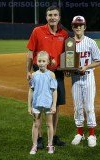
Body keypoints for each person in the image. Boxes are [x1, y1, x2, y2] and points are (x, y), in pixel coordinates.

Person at [26, 5, 68, 149]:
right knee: (37, 102)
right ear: (46, 17)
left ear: (59, 17)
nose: (52, 17)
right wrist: (28, 70)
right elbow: (31, 53)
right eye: (50, 15)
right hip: (40, 72)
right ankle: (38, 138)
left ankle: (53, 135)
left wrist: (68, 68)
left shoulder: (64, 34)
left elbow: (67, 55)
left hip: (57, 74)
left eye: (55, 15)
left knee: (55, 106)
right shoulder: (37, 31)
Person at [70, 16, 100, 147]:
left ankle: (91, 134)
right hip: (75, 79)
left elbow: (99, 61)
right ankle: (79, 133)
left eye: (81, 25)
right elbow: (67, 61)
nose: (78, 27)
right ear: (72, 27)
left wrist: (87, 66)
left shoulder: (91, 42)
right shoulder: (69, 43)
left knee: (89, 107)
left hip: (88, 77)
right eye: (75, 25)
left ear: (85, 26)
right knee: (78, 106)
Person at [28, 51, 57, 154]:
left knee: (49, 124)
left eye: (43, 61)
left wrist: (54, 105)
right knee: (36, 124)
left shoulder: (52, 75)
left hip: (48, 104)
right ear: (36, 61)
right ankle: (34, 145)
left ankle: (50, 145)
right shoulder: (34, 75)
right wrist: (29, 106)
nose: (41, 63)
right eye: (39, 61)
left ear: (48, 62)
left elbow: (54, 91)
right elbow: (31, 90)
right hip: (36, 104)